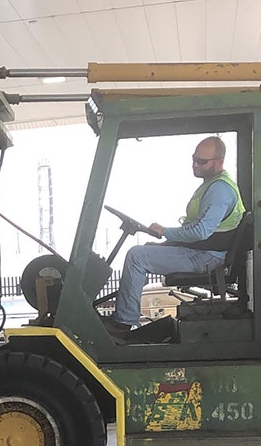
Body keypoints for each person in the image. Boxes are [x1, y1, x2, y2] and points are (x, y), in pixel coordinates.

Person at [105, 136, 245, 335]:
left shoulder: (220, 189)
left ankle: (123, 322)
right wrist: (164, 243)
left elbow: (200, 231)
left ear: (220, 161)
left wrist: (165, 232)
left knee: (137, 256)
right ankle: (126, 313)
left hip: (208, 257)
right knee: (145, 251)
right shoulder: (212, 184)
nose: (195, 165)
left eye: (202, 161)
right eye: (194, 159)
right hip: (202, 251)